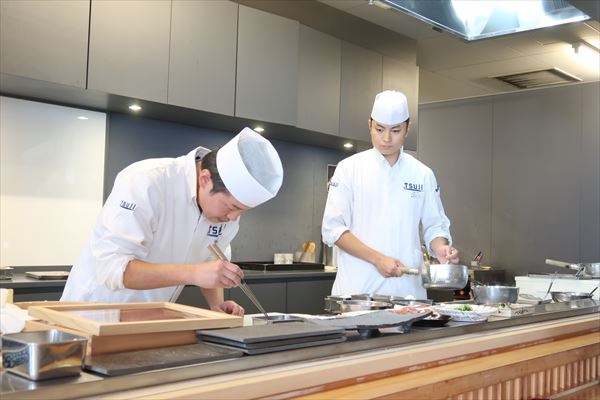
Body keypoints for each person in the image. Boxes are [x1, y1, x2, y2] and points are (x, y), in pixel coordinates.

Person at [61, 128, 284, 316]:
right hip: (90, 316)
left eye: (243, 212)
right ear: (205, 179)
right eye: (232, 207)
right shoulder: (147, 181)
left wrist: (216, 304)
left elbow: (211, 259)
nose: (233, 218)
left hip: (148, 322)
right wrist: (193, 273)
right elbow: (112, 268)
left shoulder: (224, 213)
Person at [321, 90, 459, 298]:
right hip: (357, 294)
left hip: (408, 294)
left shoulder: (422, 174)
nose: (386, 138)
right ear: (369, 125)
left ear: (407, 129)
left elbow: (435, 226)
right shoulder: (349, 169)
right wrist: (377, 259)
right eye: (379, 129)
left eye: (395, 130)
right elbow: (333, 229)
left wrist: (441, 249)